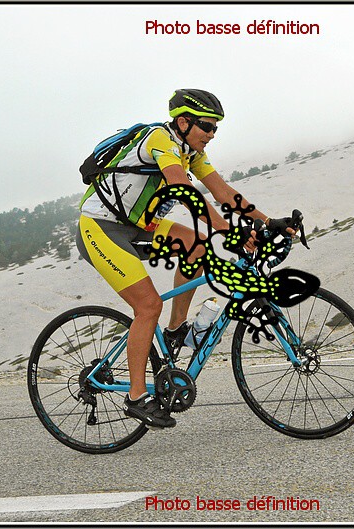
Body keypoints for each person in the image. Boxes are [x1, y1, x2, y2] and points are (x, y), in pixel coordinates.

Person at [76, 89, 288, 429]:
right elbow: (183, 191)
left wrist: (267, 221)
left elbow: (223, 192)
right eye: (207, 126)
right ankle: (135, 397)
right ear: (184, 121)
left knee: (198, 247)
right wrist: (228, 230)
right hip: (100, 228)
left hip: (139, 226)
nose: (212, 134)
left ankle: (175, 331)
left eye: (216, 127)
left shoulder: (192, 152)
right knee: (148, 306)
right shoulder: (160, 140)